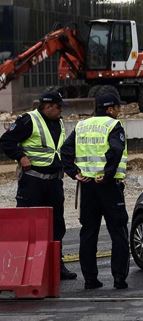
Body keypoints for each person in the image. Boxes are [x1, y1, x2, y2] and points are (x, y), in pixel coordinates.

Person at [0, 91, 77, 280]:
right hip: (33, 182)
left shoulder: (58, 122)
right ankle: (23, 267)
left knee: (56, 225)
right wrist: (21, 156)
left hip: (53, 183)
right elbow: (6, 141)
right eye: (59, 107)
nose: (61, 112)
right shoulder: (29, 120)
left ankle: (56, 265)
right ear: (48, 106)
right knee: (28, 224)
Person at [60, 93, 129, 290]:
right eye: (117, 107)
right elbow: (115, 151)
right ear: (110, 109)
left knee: (89, 233)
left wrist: (74, 173)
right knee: (118, 232)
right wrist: (107, 174)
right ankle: (119, 278)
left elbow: (65, 151)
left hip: (88, 187)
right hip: (108, 187)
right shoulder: (113, 125)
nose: (119, 111)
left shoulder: (81, 126)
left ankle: (90, 279)